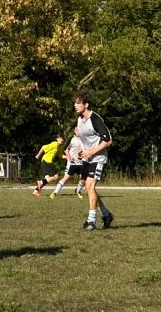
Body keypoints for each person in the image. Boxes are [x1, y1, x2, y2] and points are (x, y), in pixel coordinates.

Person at [74, 90, 114, 230]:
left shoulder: (95, 119)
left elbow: (108, 141)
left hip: (98, 158)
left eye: (78, 103)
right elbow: (85, 139)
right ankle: (106, 214)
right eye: (75, 102)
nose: (75, 105)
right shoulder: (79, 119)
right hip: (88, 158)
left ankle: (91, 221)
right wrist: (82, 150)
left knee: (90, 187)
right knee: (88, 188)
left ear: (86, 104)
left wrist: (90, 151)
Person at [50, 127, 85, 199]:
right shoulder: (71, 139)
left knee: (83, 180)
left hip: (81, 163)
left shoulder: (83, 139)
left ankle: (78, 191)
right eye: (77, 130)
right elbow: (66, 150)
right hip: (72, 163)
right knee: (66, 178)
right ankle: (55, 192)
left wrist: (82, 154)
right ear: (74, 131)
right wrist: (69, 157)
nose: (79, 131)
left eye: (80, 130)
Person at [32, 132, 65, 197]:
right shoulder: (54, 144)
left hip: (45, 162)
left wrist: (69, 158)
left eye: (63, 139)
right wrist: (38, 155)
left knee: (47, 179)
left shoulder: (59, 147)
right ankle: (40, 182)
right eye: (61, 138)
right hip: (46, 161)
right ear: (57, 139)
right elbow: (43, 147)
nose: (62, 140)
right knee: (56, 176)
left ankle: (36, 191)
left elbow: (61, 155)